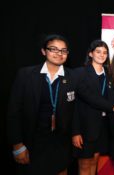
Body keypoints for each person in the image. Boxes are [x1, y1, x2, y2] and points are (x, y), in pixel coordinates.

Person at [6, 34, 76, 175]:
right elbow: (14, 112)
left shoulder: (73, 77)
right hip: (32, 142)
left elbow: (78, 109)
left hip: (61, 143)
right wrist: (17, 145)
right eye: (54, 49)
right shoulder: (25, 75)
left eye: (63, 50)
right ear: (44, 51)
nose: (59, 54)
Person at [72, 40, 114, 175]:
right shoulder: (80, 73)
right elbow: (90, 99)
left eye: (105, 52)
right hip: (85, 127)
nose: (102, 55)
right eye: (98, 52)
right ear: (90, 54)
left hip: (103, 126)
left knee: (95, 160)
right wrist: (76, 132)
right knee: (84, 164)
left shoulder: (109, 74)